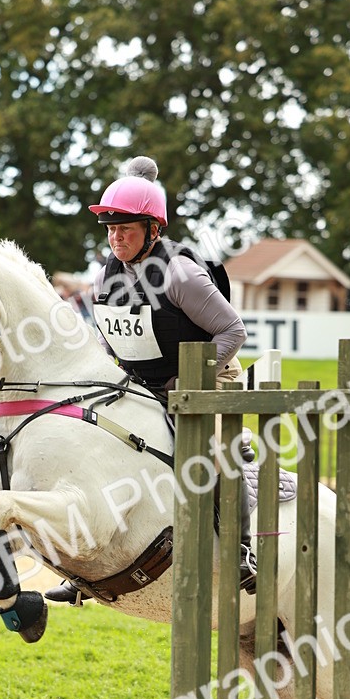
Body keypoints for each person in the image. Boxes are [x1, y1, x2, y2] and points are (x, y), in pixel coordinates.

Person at [46, 155, 257, 605]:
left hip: (208, 376)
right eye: (110, 229)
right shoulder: (105, 276)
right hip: (145, 383)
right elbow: (111, 338)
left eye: (126, 229)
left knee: (213, 451)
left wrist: (192, 378)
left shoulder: (181, 273)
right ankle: (83, 566)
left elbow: (232, 331)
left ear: (153, 230)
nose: (116, 238)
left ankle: (241, 551)